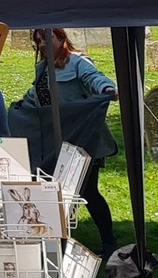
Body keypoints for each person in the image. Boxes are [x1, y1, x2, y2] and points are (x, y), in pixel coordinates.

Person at [10, 28, 120, 253]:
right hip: (56, 141)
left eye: (46, 37)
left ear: (61, 38)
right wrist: (19, 107)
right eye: (38, 40)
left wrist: (107, 89)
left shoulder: (78, 62)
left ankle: (109, 244)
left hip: (85, 140)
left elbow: (94, 77)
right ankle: (56, 242)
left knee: (88, 191)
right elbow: (38, 97)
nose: (41, 43)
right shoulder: (42, 68)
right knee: (56, 191)